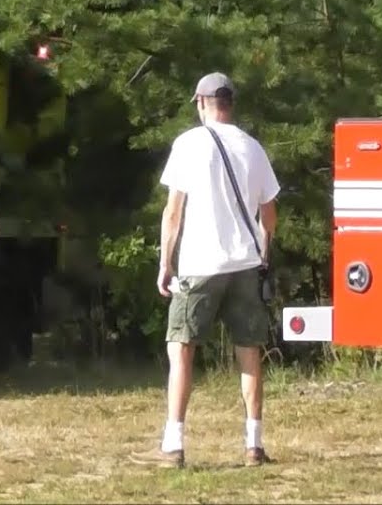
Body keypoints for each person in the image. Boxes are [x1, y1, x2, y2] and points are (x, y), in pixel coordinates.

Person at [131, 72, 280, 469]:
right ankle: (253, 445)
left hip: (199, 264)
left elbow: (173, 211)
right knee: (249, 353)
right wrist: (263, 254)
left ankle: (174, 445)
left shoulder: (188, 144)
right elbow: (269, 214)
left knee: (181, 349)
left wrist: (165, 263)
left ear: (200, 101)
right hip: (246, 264)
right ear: (230, 103)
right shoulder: (253, 147)